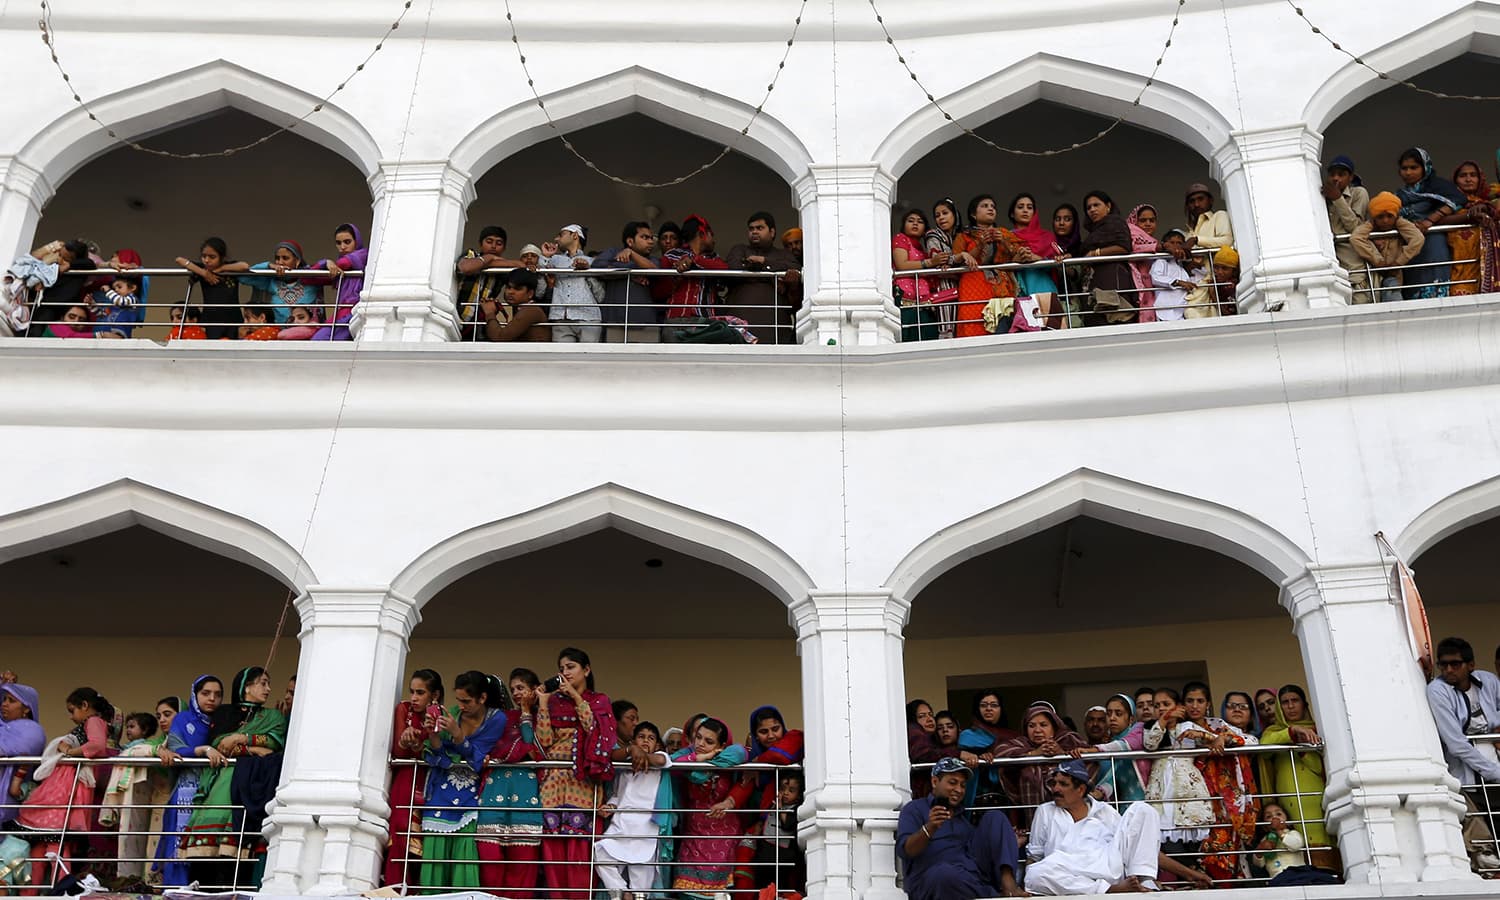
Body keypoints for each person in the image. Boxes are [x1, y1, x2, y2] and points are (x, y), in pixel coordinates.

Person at [181, 667, 287, 887]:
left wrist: (241, 737)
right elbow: (220, 745)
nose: (268, 689)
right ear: (247, 686)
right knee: (208, 850)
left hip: (250, 780)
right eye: (262, 683)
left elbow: (275, 743)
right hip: (221, 779)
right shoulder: (225, 713)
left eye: (268, 683)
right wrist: (253, 748)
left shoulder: (273, 716)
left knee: (235, 849)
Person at [535, 647, 617, 897]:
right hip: (553, 785)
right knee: (554, 854)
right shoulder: (554, 702)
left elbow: (596, 729)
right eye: (562, 668)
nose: (565, 672)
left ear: (586, 670)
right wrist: (543, 703)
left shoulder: (599, 700)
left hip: (583, 784)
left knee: (580, 853)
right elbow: (544, 740)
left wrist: (575, 696)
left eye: (570, 667)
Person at [16, 687, 115, 890]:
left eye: (72, 710)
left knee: (57, 842)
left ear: (85, 706)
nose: (71, 717)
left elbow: (97, 746)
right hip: (64, 782)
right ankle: (35, 892)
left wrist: (69, 751)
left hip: (69, 785)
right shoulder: (90, 722)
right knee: (45, 843)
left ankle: (59, 889)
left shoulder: (93, 721)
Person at [419, 671, 507, 892]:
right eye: (458, 699)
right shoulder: (454, 714)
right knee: (435, 855)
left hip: (472, 794)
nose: (461, 705)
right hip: (441, 792)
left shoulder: (497, 719)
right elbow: (439, 755)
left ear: (483, 698)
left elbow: (480, 757)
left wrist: (457, 735)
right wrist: (434, 733)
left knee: (464, 852)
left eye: (466, 700)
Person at [1023, 759, 1164, 895]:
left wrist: (1185, 873)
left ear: (1080, 789)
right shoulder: (1045, 811)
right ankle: (1109, 889)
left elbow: (1133, 844)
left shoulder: (1104, 810)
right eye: (1054, 783)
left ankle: (1144, 880)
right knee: (1034, 874)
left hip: (1107, 864)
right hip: (1068, 871)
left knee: (1143, 809)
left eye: (1063, 784)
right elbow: (1035, 856)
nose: (1055, 789)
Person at [895, 757, 1024, 900]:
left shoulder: (963, 819)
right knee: (945, 874)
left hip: (969, 878)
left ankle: (1008, 885)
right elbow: (905, 850)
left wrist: (1007, 843)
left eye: (963, 785)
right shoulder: (915, 809)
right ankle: (991, 894)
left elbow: (977, 854)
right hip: (933, 881)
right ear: (935, 782)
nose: (959, 790)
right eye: (952, 783)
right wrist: (929, 828)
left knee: (995, 817)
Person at [1426, 637, 1500, 871]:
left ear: (1471, 665)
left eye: (1455, 664)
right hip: (1467, 774)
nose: (1448, 670)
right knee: (1482, 825)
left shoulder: (1488, 681)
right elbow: (1456, 743)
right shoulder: (1438, 690)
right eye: (1443, 665)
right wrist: (1496, 773)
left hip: (1493, 763)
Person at [475, 668, 544, 897]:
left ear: (535, 690)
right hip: (495, 792)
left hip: (527, 795)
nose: (516, 693)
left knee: (522, 867)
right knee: (490, 862)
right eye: (513, 689)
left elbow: (535, 750)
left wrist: (526, 712)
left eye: (521, 688)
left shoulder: (544, 718)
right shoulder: (503, 719)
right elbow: (491, 746)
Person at [1181, 682, 1258, 881]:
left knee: (1229, 852)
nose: (1194, 706)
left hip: (1224, 800)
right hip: (1191, 799)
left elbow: (1250, 740)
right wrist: (1208, 738)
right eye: (1190, 701)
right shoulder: (1178, 728)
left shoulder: (1218, 725)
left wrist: (1221, 737)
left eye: (1200, 701)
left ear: (1208, 704)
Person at [726, 706, 805, 892]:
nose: (771, 736)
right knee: (747, 869)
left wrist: (757, 763)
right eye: (763, 731)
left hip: (791, 829)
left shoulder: (793, 738)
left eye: (775, 729)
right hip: (764, 833)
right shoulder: (754, 760)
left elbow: (780, 755)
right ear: (754, 735)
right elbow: (743, 787)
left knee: (790, 880)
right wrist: (727, 802)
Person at [155, 675, 222, 885]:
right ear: (195, 694)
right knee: (179, 840)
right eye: (205, 693)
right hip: (186, 787)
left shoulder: (223, 719)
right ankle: (177, 888)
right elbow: (175, 749)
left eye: (218, 695)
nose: (212, 698)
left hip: (212, 788)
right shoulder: (184, 719)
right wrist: (201, 750)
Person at [671, 716, 748, 898]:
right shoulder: (687, 757)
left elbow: (741, 752)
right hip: (693, 837)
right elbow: (673, 764)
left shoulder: (729, 757)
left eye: (708, 741)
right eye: (698, 737)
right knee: (686, 891)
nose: (700, 743)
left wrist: (707, 764)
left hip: (722, 839)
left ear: (721, 745)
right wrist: (702, 758)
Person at [1258, 684, 1334, 868]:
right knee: (1291, 847)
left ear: (1304, 704)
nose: (1290, 706)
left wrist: (1302, 748)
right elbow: (1265, 747)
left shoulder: (1318, 729)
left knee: (1322, 855)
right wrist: (1293, 732)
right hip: (1288, 805)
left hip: (1315, 800)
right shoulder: (1273, 732)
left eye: (1295, 701)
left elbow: (1317, 767)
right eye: (1285, 702)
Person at [594, 721, 672, 899]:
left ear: (658, 745)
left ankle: (634, 894)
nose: (646, 741)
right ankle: (622, 892)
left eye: (651, 738)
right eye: (641, 737)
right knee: (600, 852)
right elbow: (618, 795)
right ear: (633, 741)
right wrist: (610, 807)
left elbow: (660, 760)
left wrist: (640, 755)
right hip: (622, 824)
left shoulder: (660, 759)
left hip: (645, 829)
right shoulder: (625, 766)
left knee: (642, 883)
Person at [383, 669, 444, 888]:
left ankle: (418, 887)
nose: (414, 697)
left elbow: (437, 753)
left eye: (421, 692)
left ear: (434, 695)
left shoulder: (442, 716)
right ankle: (396, 885)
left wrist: (419, 744)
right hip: (406, 778)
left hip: (430, 780)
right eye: (412, 691)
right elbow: (398, 753)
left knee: (425, 835)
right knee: (400, 830)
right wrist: (405, 742)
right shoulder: (404, 709)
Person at [1142, 688, 1215, 863]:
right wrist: (1164, 720)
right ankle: (1187, 877)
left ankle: (1193, 876)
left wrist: (1200, 734)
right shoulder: (1151, 727)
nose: (1161, 708)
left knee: (1193, 839)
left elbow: (1213, 739)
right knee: (1166, 840)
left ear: (1179, 707)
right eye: (1157, 705)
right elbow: (1150, 744)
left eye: (1166, 704)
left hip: (1188, 786)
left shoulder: (1188, 726)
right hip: (1161, 786)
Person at [951, 195, 1039, 337]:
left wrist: (1003, 242)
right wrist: (980, 246)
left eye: (992, 206)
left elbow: (1019, 257)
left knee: (1005, 327)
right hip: (973, 287)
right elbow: (956, 261)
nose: (990, 209)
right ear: (973, 214)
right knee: (974, 326)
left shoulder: (1004, 233)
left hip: (1003, 287)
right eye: (984, 206)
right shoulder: (964, 236)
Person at [995, 701, 1091, 826]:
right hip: (1032, 818)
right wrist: (1034, 754)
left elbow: (1089, 763)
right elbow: (999, 752)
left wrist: (1062, 754)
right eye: (1032, 726)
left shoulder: (1068, 740)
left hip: (1071, 820)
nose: (1037, 730)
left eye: (1043, 725)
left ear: (1054, 727)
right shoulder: (1021, 744)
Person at [1395, 147, 1466, 299]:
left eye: (1414, 167)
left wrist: (1430, 220)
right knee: (1413, 284)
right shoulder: (1400, 195)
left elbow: (1458, 200)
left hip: (1433, 242)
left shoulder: (1437, 186)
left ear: (1425, 167)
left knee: (1434, 281)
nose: (1408, 172)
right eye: (1404, 168)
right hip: (1410, 245)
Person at [723, 211, 801, 342]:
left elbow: (796, 269)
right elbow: (732, 268)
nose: (754, 232)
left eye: (760, 228)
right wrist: (772, 277)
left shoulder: (783, 254)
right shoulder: (740, 249)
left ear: (772, 232)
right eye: (751, 229)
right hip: (739, 326)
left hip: (774, 327)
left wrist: (764, 262)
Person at [593, 221, 667, 343]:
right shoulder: (613, 252)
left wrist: (631, 255)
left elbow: (654, 270)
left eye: (651, 238)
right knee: (614, 361)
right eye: (644, 237)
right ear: (630, 241)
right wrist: (631, 272)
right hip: (615, 323)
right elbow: (597, 267)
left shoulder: (653, 260)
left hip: (647, 324)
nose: (651, 241)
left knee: (649, 361)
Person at [1072, 191, 1135, 326]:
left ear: (1108, 206)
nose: (1092, 210)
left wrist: (1095, 253)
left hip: (1111, 281)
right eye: (1088, 208)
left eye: (1096, 205)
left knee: (1114, 321)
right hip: (1094, 284)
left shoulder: (1115, 222)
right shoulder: (1094, 231)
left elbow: (1124, 247)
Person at [1008, 192, 1069, 328]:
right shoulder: (1006, 237)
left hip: (1043, 286)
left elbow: (1055, 262)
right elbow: (1000, 265)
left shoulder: (1047, 236)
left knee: (1053, 330)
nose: (1025, 210)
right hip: (1017, 289)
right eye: (1020, 207)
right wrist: (1016, 259)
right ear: (1012, 213)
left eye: (1029, 207)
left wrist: (1037, 259)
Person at [455, 226, 527, 340]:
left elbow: (521, 266)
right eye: (489, 242)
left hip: (481, 321)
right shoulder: (471, 255)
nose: (493, 246)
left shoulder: (502, 271)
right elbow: (466, 267)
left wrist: (490, 262)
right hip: (459, 316)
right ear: (480, 244)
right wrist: (489, 257)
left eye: (499, 243)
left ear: (504, 248)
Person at [1350, 191, 1424, 302]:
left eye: (1390, 216)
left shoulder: (1399, 222)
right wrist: (1378, 261)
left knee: (1393, 297)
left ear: (1396, 216)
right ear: (1374, 218)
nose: (1385, 220)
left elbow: (1418, 238)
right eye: (1380, 217)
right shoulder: (1371, 225)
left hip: (1394, 276)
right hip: (1375, 276)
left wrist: (1398, 263)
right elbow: (1355, 238)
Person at [1077, 694, 1150, 804]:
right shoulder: (1111, 743)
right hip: (1125, 806)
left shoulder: (1139, 729)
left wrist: (1092, 750)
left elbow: (1123, 746)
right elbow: (1112, 777)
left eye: (1118, 714)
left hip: (1147, 802)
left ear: (1131, 718)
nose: (1112, 718)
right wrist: (1100, 792)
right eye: (1109, 714)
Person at [663, 215, 730, 333]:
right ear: (702, 234)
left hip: (705, 321)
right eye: (711, 234)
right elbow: (660, 286)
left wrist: (694, 261)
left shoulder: (714, 259)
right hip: (675, 319)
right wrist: (676, 276)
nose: (713, 240)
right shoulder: (672, 255)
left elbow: (724, 269)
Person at [1441, 160, 1499, 296]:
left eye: (1473, 175)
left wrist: (1486, 209)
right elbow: (1439, 221)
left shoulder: (1488, 204)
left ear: (1480, 179)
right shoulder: (1448, 203)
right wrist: (1468, 216)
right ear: (1455, 181)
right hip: (1458, 268)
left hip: (1483, 267)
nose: (1468, 179)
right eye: (1463, 176)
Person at [1323, 156, 1373, 302]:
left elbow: (1356, 227)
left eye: (1341, 174)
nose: (1336, 178)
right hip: (1331, 261)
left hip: (1353, 263)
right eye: (1332, 174)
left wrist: (1338, 199)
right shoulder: (1323, 197)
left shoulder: (1359, 193)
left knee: (1359, 303)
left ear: (1350, 177)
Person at [958, 691, 1019, 809]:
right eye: (983, 705)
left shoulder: (1012, 737)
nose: (989, 709)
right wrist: (978, 756)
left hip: (1006, 794)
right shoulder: (967, 735)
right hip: (977, 793)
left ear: (1001, 709)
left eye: (994, 705)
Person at [543, 224, 604, 342]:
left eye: (561, 235)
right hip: (560, 317)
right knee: (562, 359)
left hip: (588, 317)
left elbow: (600, 296)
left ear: (575, 235)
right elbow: (537, 269)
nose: (556, 239)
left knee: (588, 358)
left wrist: (587, 272)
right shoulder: (555, 259)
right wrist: (546, 256)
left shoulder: (591, 261)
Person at [237, 241, 322, 324]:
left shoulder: (310, 277)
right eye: (277, 258)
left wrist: (326, 262)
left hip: (309, 333)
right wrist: (268, 265)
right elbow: (243, 277)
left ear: (297, 261)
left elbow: (329, 275)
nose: (280, 262)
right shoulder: (271, 281)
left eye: (285, 258)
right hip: (280, 334)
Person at [174, 238, 243, 340]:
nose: (206, 260)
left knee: (232, 349)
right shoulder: (203, 268)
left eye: (212, 257)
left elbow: (244, 266)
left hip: (232, 318)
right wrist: (203, 273)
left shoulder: (229, 267)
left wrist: (222, 269)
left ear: (222, 257)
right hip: (212, 319)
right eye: (204, 256)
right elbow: (179, 260)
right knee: (213, 348)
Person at [0, 683, 46, 828]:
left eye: (11, 701)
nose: (4, 704)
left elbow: (5, 750)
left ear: (26, 708)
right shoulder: (3, 727)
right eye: (4, 699)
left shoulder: (33, 731)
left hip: (7, 799)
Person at [312, 223, 368, 340]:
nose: (342, 247)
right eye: (338, 243)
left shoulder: (362, 254)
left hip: (352, 312)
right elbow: (307, 278)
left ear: (356, 241)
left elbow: (344, 264)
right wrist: (325, 262)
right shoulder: (336, 267)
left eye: (347, 242)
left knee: (318, 340)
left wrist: (330, 264)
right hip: (341, 313)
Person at [893, 208, 940, 342]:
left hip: (925, 303)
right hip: (906, 299)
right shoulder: (900, 239)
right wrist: (930, 262)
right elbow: (902, 265)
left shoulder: (924, 251)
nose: (915, 224)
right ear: (903, 225)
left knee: (927, 339)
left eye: (920, 222)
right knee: (906, 337)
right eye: (911, 221)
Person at [925, 198, 965, 337]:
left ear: (954, 214)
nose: (941, 218)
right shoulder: (933, 236)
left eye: (945, 213)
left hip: (961, 285)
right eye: (937, 215)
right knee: (947, 328)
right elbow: (940, 260)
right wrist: (961, 257)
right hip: (944, 287)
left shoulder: (959, 237)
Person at [481, 269, 550, 342]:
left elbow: (499, 337)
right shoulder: (521, 308)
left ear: (530, 293)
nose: (510, 292)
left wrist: (489, 313)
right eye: (508, 287)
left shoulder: (530, 310)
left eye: (517, 289)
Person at [1147, 229, 1199, 322]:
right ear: (1165, 244)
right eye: (1172, 242)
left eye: (1179, 243)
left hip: (1181, 312)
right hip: (1164, 311)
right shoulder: (1161, 261)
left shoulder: (1182, 265)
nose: (1176, 246)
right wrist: (1178, 282)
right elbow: (1155, 277)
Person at [1124, 204, 1160, 323]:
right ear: (1135, 222)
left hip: (1154, 289)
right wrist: (1157, 247)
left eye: (1152, 220)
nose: (1148, 223)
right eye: (1143, 220)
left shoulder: (1155, 243)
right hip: (1136, 287)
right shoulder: (1130, 235)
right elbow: (1131, 248)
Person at [1253, 802, 1307, 880]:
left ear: (1287, 821)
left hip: (1298, 875)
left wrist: (1279, 831)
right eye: (1269, 816)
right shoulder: (1265, 840)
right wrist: (1260, 850)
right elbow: (1259, 864)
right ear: (1265, 826)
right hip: (1277, 878)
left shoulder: (1292, 833)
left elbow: (1296, 845)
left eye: (1278, 814)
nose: (1274, 818)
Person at [90, 268, 144, 339]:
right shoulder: (114, 304)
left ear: (132, 288)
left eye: (119, 287)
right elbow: (102, 315)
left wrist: (108, 290)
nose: (116, 290)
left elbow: (120, 301)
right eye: (114, 289)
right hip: (108, 333)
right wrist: (92, 304)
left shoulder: (132, 299)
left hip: (120, 334)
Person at [1184, 183, 1234, 255]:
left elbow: (1227, 241)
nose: (1196, 204)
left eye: (1200, 199)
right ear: (1187, 206)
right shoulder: (1188, 233)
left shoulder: (1219, 216)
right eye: (1192, 201)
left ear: (1210, 200)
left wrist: (1196, 240)